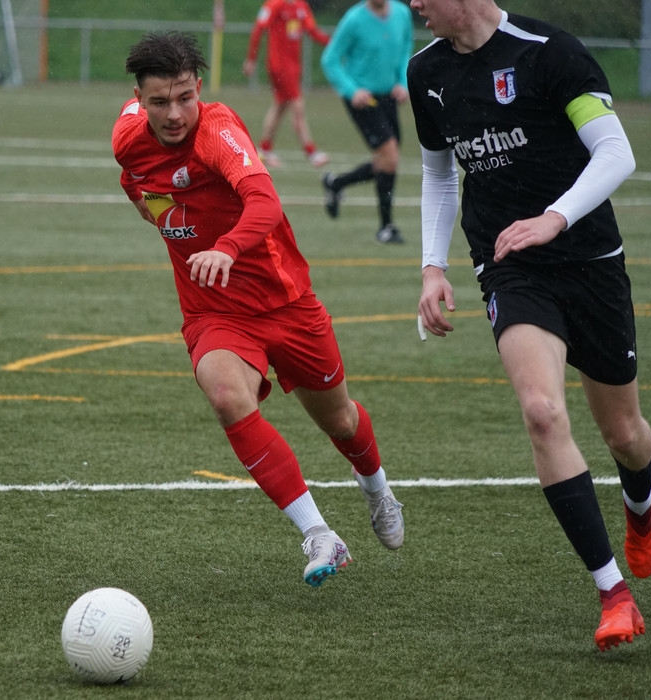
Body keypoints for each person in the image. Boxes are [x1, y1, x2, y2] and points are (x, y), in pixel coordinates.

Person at [408, 0, 651, 651]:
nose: (413, 4)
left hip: (590, 260)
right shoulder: (426, 72)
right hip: (510, 266)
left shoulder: (549, 52)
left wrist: (555, 217)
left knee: (626, 434)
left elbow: (615, 153)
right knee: (543, 413)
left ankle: (640, 505)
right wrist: (433, 267)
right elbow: (439, 173)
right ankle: (613, 593)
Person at [114, 31, 404, 587]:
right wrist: (153, 210)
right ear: (139, 100)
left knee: (340, 420)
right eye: (159, 101)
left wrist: (225, 248)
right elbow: (135, 181)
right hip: (213, 311)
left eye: (185, 98)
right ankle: (318, 533)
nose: (174, 114)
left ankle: (377, 490)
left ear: (199, 89)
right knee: (227, 396)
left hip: (286, 302)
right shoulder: (127, 137)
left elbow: (266, 202)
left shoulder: (218, 131)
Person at [320, 0, 412, 244]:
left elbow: (405, 49)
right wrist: (352, 91)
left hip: (389, 97)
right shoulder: (354, 20)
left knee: (386, 161)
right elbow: (330, 59)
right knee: (389, 157)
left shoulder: (402, 14)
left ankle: (335, 183)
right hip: (364, 100)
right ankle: (386, 228)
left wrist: (402, 81)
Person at [242, 0, 330, 169]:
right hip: (279, 66)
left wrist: (333, 43)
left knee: (280, 106)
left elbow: (312, 31)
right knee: (297, 106)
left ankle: (264, 149)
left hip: (293, 66)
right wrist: (251, 59)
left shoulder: (301, 6)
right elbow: (258, 29)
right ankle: (311, 152)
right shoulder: (274, 5)